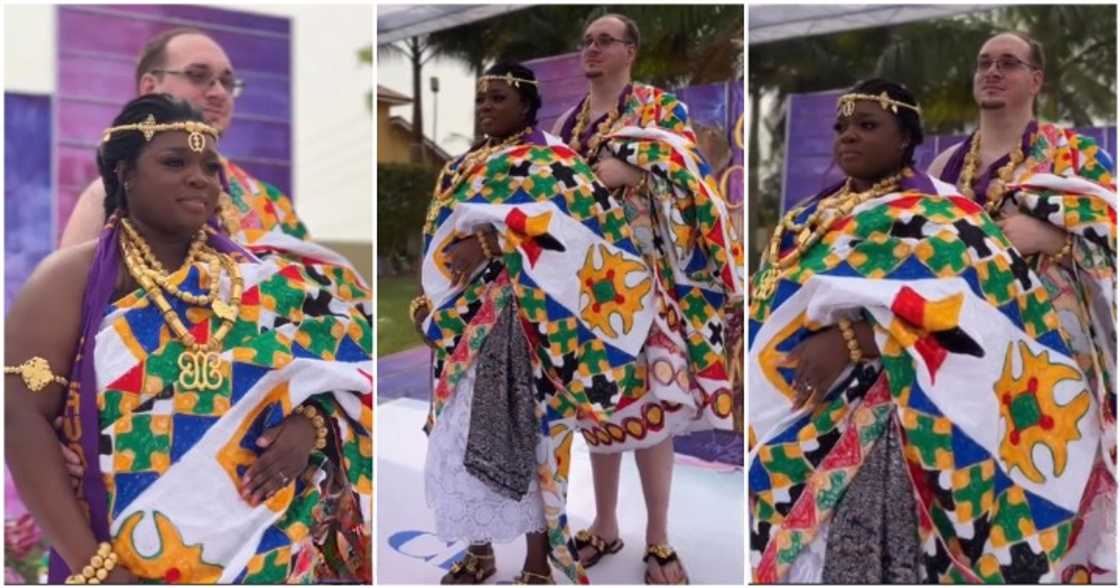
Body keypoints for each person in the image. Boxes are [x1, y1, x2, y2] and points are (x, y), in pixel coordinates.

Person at [748, 79, 1109, 583]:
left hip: (891, 416)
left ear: (905, 140)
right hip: (794, 402)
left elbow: (977, 319)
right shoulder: (807, 215)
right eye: (841, 127)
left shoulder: (945, 215)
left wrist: (854, 340)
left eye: (868, 125)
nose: (848, 136)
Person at [5, 94, 372, 583]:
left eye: (210, 166)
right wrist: (99, 570)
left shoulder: (258, 281)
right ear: (123, 174)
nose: (200, 177)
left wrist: (311, 426)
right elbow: (21, 416)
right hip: (121, 559)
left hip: (267, 554)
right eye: (174, 162)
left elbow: (345, 372)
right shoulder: (68, 279)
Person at [413, 61, 688, 584]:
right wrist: (431, 298)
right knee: (458, 432)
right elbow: (436, 234)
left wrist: (496, 242)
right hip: (460, 322)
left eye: (498, 98)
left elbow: (584, 237)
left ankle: (539, 562)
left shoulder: (554, 162)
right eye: (480, 99)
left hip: (530, 323)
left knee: (534, 437)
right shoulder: (459, 166)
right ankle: (479, 549)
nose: (485, 107)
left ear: (527, 105)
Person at [551, 13, 743, 584]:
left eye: (605, 40)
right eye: (586, 40)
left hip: (648, 281)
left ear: (630, 52)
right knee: (597, 405)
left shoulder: (660, 111)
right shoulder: (567, 122)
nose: (592, 48)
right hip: (586, 287)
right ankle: (605, 523)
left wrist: (633, 171)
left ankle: (658, 536)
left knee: (652, 405)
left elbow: (694, 179)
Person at [928, 32, 1116, 582]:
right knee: (974, 491)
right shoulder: (945, 164)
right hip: (966, 352)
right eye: (985, 63)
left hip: (1056, 362)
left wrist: (1052, 239)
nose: (992, 71)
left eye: (1008, 63)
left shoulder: (1078, 157)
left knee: (1056, 484)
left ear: (1036, 80)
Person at [59, 27, 308, 248]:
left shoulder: (271, 204)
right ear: (150, 88)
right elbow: (71, 293)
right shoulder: (113, 192)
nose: (219, 92)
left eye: (227, 81)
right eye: (198, 75)